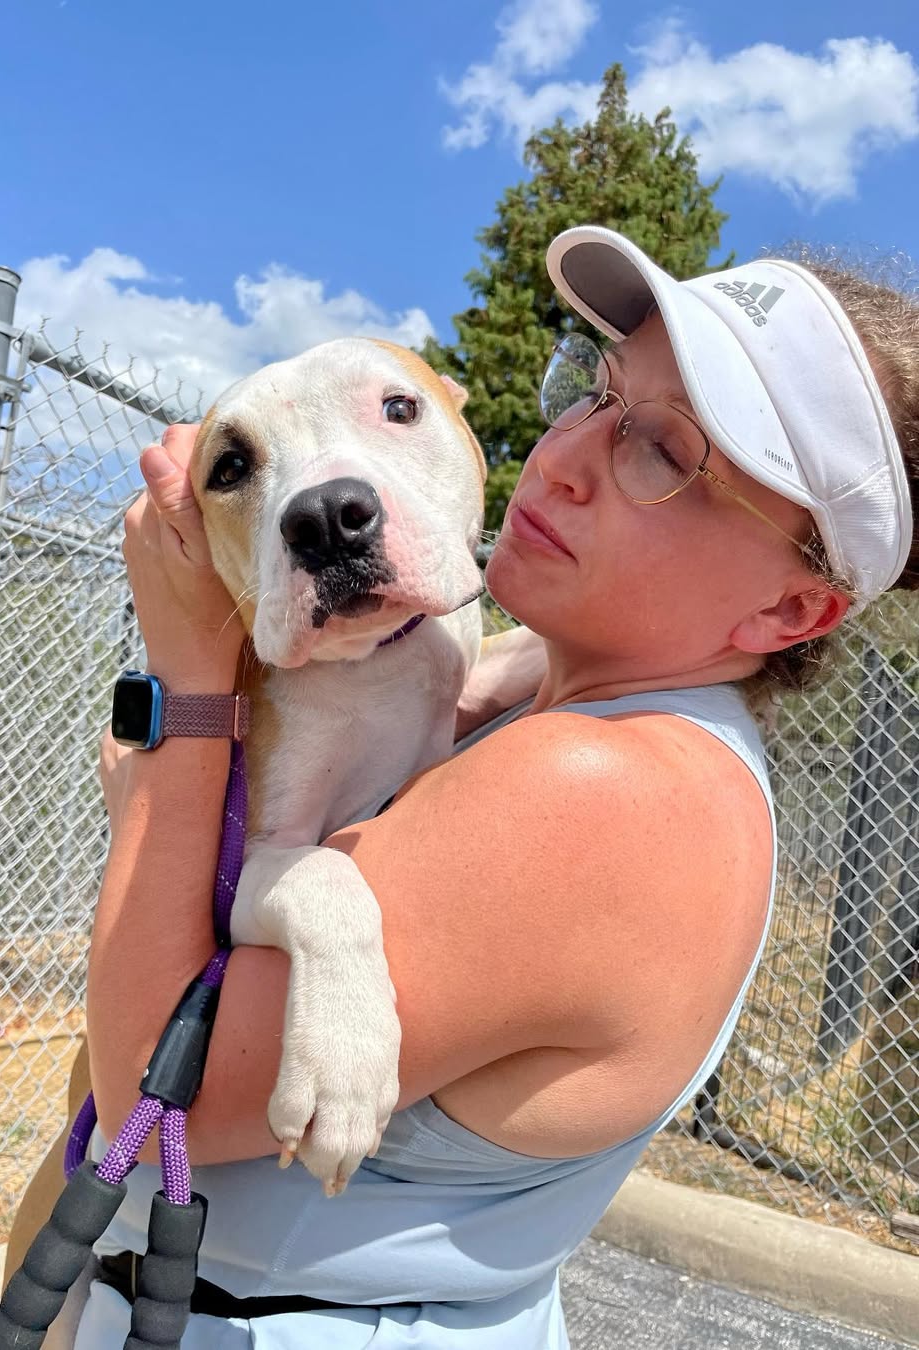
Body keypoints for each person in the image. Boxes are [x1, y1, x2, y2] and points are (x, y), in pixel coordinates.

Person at [73, 227, 918, 1348]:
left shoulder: (600, 790)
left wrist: (182, 690)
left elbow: (141, 1088)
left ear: (790, 613)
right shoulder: (541, 698)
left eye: (663, 453)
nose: (563, 455)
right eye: (596, 389)